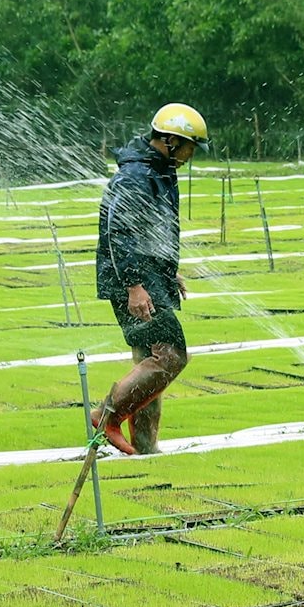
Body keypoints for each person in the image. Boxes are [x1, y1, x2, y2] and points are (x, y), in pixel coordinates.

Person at [91, 103, 207, 454]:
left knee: (149, 357)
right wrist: (135, 286)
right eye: (189, 146)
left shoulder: (160, 169)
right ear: (171, 140)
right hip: (132, 279)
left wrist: (169, 272)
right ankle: (107, 415)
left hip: (150, 275)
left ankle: (145, 447)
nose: (191, 154)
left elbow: (157, 230)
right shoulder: (137, 175)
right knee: (171, 355)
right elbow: (120, 233)